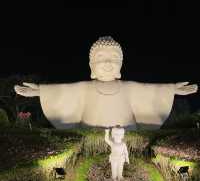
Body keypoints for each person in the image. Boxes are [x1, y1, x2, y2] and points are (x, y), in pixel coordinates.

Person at [14, 36, 198, 130]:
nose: (108, 63)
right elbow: (65, 90)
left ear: (121, 64)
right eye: (101, 58)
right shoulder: (85, 88)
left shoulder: (128, 87)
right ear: (91, 65)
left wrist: (171, 89)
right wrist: (40, 91)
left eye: (114, 58)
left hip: (128, 135)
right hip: (89, 134)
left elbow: (149, 90)